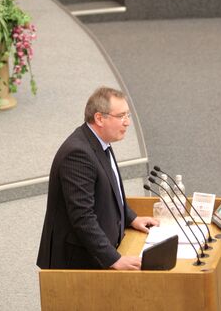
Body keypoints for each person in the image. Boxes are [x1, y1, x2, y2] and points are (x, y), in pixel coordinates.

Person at [37, 86, 158, 270]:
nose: (127, 123)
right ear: (100, 118)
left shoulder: (100, 141)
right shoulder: (77, 154)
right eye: (121, 116)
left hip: (96, 253)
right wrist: (113, 259)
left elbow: (111, 189)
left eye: (128, 116)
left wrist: (131, 218)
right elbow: (82, 217)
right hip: (76, 263)